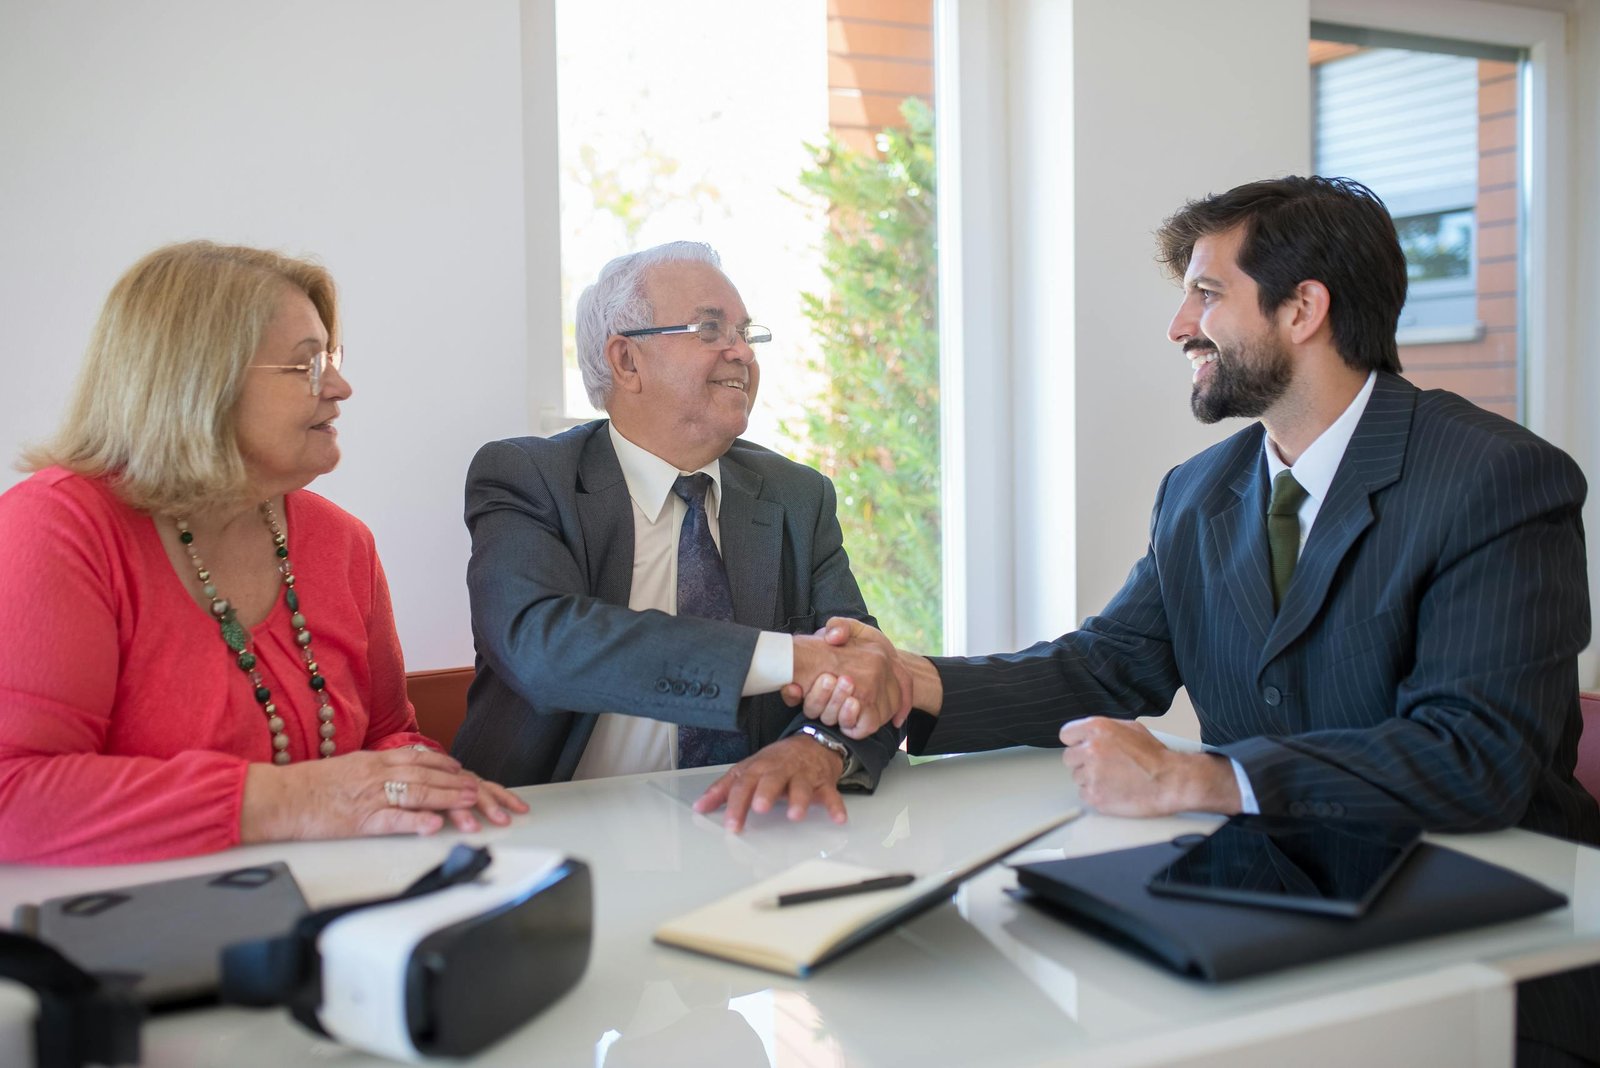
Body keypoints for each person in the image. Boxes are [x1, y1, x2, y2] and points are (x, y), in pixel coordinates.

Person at [796, 176, 1599, 1065]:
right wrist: (913, 679)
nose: (1181, 326)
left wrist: (1201, 778)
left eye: (1208, 294)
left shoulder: (1497, 479)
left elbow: (1473, 755)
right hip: (1268, 919)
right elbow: (1108, 665)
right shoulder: (1200, 492)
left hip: (1491, 947)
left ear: (1304, 309)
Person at [0, 241, 527, 865]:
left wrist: (433, 787)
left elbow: (389, 736)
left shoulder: (342, 542)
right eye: (306, 365)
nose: (340, 386)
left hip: (338, 907)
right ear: (195, 380)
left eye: (331, 358)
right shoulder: (56, 526)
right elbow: (15, 796)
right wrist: (295, 800)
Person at [456, 240, 907, 832]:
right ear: (627, 361)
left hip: (752, 835)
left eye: (746, 333)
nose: (742, 352)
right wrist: (786, 658)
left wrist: (817, 748)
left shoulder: (797, 496)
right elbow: (544, 647)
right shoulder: (530, 479)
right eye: (711, 329)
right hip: (546, 832)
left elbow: (869, 672)